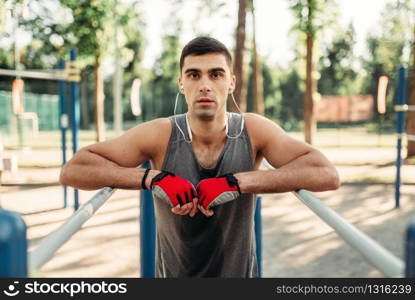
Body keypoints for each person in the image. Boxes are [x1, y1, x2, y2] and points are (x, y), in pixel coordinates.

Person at [60, 36, 340, 278]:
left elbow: (326, 174)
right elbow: (74, 169)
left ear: (230, 83)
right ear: (182, 83)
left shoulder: (253, 130)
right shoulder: (160, 134)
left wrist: (236, 182)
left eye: (215, 74)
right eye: (194, 75)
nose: (205, 85)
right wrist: (153, 178)